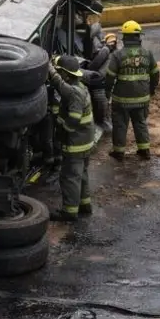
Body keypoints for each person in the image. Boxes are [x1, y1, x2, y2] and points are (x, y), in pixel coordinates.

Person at [46, 55, 95, 221]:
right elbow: (60, 85)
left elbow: (74, 119)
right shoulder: (80, 87)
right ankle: (85, 204)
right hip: (86, 141)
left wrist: (63, 130)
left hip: (76, 142)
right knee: (82, 173)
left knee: (69, 177)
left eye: (61, 72)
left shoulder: (74, 93)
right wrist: (52, 69)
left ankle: (69, 212)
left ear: (67, 74)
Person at [106, 20, 160, 161]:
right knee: (140, 123)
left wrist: (107, 94)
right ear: (138, 37)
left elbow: (109, 77)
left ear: (124, 38)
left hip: (121, 99)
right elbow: (155, 74)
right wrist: (151, 90)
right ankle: (144, 151)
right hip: (142, 98)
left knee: (120, 124)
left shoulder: (117, 55)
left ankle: (119, 152)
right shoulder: (147, 54)